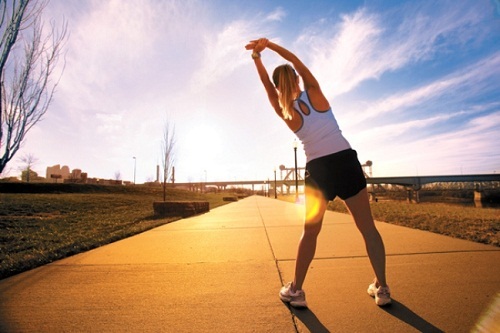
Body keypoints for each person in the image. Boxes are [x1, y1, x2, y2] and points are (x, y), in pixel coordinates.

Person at [245, 38, 391, 307]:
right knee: (368, 228)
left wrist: (256, 58)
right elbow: (297, 62)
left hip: (319, 169)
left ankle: (296, 291)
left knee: (310, 233)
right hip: (346, 161)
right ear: (297, 79)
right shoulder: (314, 90)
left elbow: (266, 86)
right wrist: (271, 46)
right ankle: (382, 289)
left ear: (279, 87)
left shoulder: (283, 109)